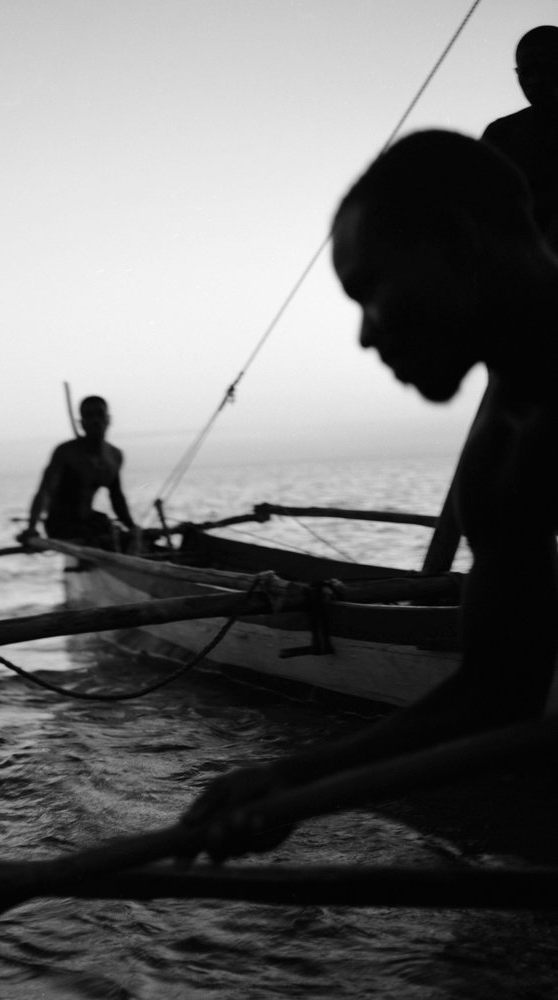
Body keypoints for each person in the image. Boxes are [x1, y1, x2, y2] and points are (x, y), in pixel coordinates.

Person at [180, 129, 558, 861]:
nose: (361, 336)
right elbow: (495, 692)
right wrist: (291, 780)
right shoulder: (500, 461)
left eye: (370, 289)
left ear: (454, 239)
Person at [16, 395, 138, 550]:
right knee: (96, 540)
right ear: (81, 423)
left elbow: (117, 497)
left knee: (126, 540)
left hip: (90, 521)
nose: (95, 420)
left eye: (99, 414)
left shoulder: (114, 456)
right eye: (89, 415)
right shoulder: (66, 453)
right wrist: (32, 527)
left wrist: (132, 527)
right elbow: (45, 491)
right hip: (61, 525)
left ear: (108, 419)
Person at [482, 25, 558, 247]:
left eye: (545, 68)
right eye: (526, 72)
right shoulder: (500, 134)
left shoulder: (501, 133)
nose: (534, 80)